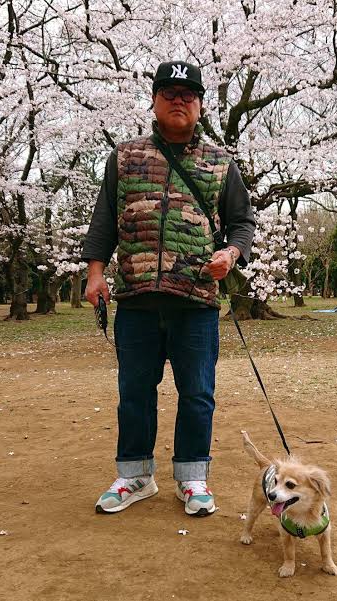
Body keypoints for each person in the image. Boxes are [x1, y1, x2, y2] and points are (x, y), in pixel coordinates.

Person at [82, 61, 255, 517]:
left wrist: (230, 254)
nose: (179, 101)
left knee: (197, 393)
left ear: (200, 105)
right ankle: (135, 475)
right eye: (170, 93)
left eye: (188, 94)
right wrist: (95, 273)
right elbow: (104, 221)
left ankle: (192, 478)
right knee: (134, 392)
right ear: (154, 101)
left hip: (195, 300)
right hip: (136, 298)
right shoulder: (124, 157)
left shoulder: (221, 163)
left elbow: (242, 223)